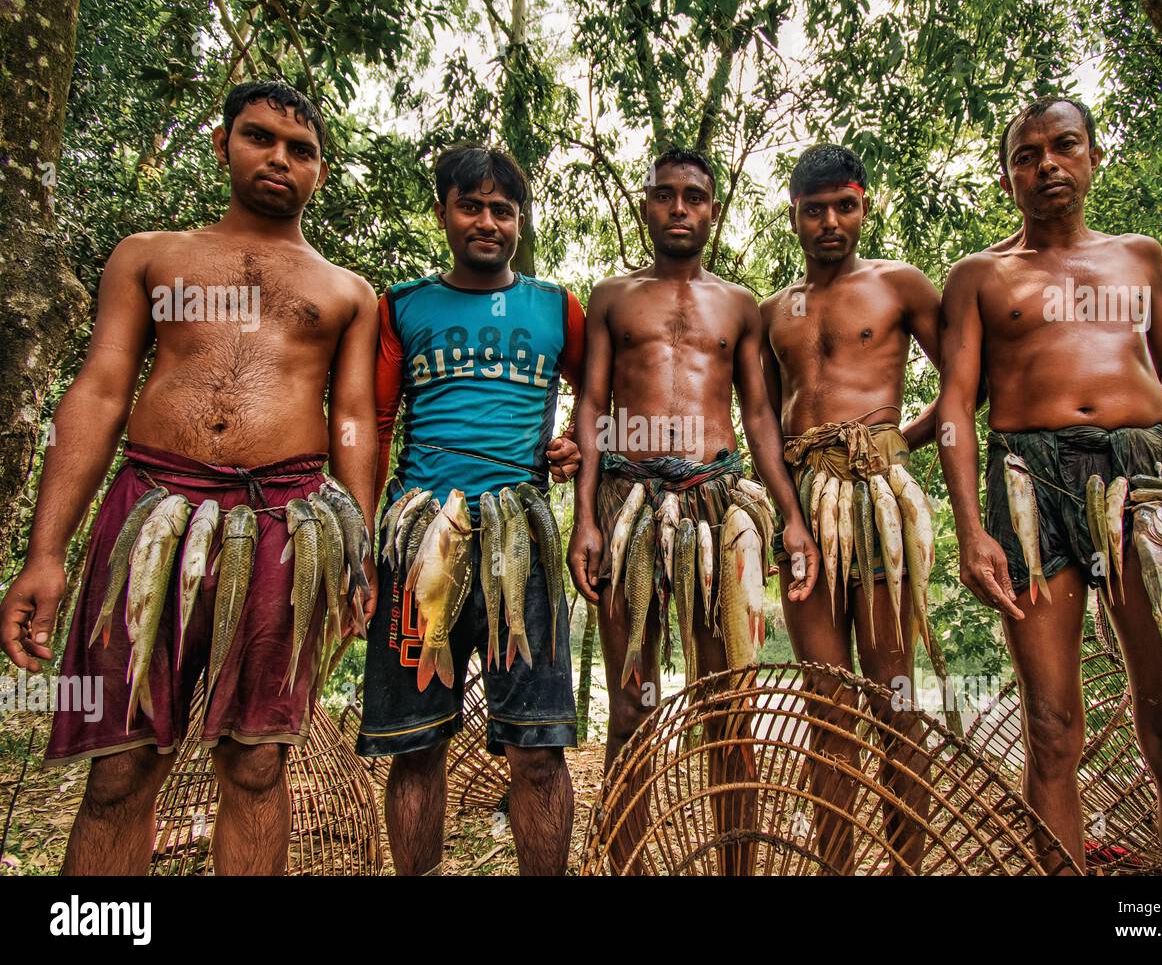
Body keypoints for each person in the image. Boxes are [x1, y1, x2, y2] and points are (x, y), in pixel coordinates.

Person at [0, 80, 378, 874]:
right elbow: (101, 390)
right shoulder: (150, 255)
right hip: (150, 509)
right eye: (259, 137)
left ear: (321, 171)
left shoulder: (347, 292)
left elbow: (352, 421)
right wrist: (47, 552)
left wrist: (359, 552)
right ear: (222, 144)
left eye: (300, 149)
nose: (279, 158)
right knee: (120, 767)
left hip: (288, 521)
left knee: (257, 762)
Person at [936, 96, 1162, 873]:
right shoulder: (978, 277)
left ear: (1094, 157)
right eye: (1026, 155)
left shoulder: (1140, 257)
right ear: (1007, 179)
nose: (1046, 165)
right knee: (1053, 727)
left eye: (1064, 146)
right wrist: (972, 532)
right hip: (1029, 482)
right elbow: (956, 411)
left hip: (1145, 478)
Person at [568, 147, 819, 873]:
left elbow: (762, 417)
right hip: (628, 500)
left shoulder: (739, 305)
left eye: (694, 197)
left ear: (714, 209)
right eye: (666, 195)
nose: (680, 208)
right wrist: (586, 515)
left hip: (717, 498)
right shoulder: (614, 296)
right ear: (646, 205)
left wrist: (791, 515)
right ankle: (627, 865)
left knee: (727, 708)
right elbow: (590, 406)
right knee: (632, 705)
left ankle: (734, 867)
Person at [357, 145, 583, 876]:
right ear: (443, 212)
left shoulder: (557, 306)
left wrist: (579, 437)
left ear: (520, 219)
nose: (487, 222)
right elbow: (376, 422)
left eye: (503, 209)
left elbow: (605, 395)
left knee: (540, 751)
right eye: (471, 206)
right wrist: (363, 536)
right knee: (416, 747)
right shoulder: (401, 304)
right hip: (424, 535)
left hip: (525, 533)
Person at [759, 143, 942, 873]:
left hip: (878, 498)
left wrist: (898, 446)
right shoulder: (775, 311)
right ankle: (837, 866)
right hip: (804, 500)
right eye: (814, 210)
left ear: (864, 205)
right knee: (825, 705)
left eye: (844, 206)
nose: (830, 222)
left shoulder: (900, 286)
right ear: (794, 217)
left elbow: (966, 382)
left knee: (895, 699)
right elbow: (766, 425)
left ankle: (906, 868)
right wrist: (787, 513)